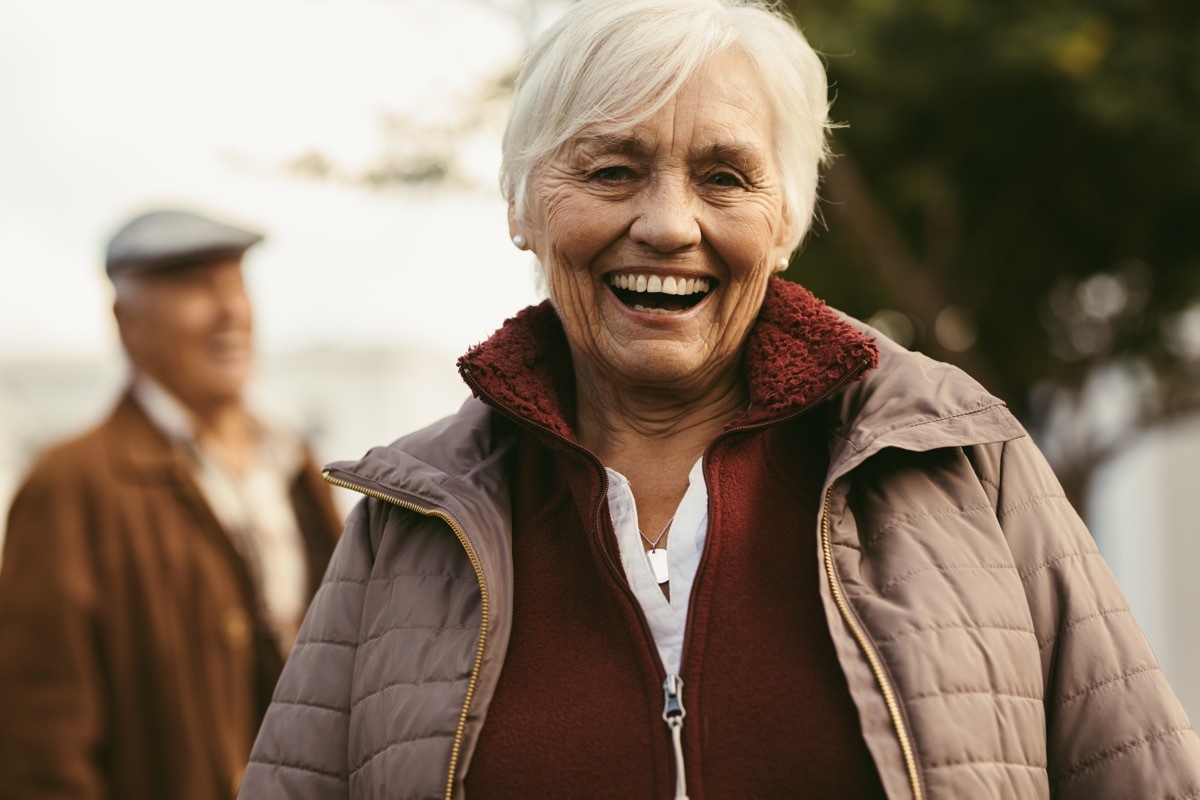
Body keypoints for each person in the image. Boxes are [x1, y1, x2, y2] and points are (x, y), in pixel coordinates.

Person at [239, 0, 1200, 797]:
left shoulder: (960, 460)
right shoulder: (410, 521)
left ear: (784, 220)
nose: (666, 224)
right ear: (521, 207)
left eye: (725, 176)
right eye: (611, 170)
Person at [0, 208, 343, 800]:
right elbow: (40, 749)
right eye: (195, 287)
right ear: (125, 321)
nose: (229, 310)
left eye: (236, 284)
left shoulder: (296, 466)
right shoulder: (70, 487)